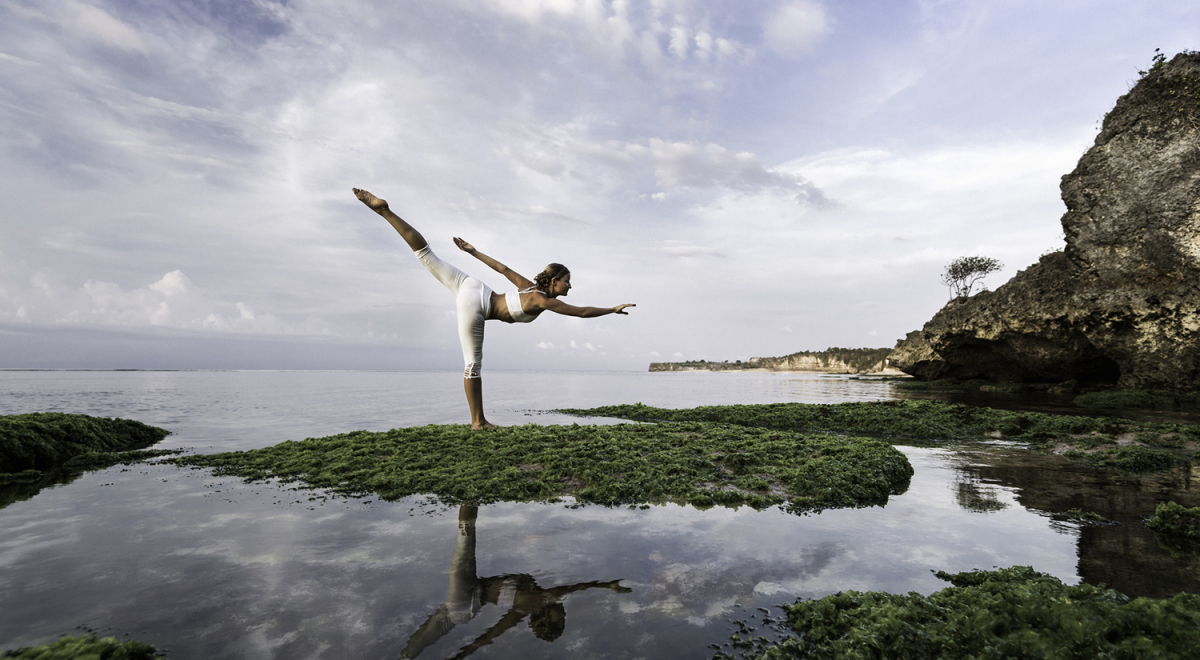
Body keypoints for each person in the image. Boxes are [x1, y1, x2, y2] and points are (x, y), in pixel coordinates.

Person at [353, 188, 635, 429]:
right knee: (472, 365)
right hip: (477, 304)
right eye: (567, 282)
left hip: (473, 286)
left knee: (426, 254)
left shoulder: (528, 286)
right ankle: (478, 423)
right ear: (555, 281)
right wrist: (612, 309)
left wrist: (472, 251)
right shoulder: (544, 300)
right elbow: (582, 312)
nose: (570, 287)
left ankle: (385, 212)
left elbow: (502, 269)